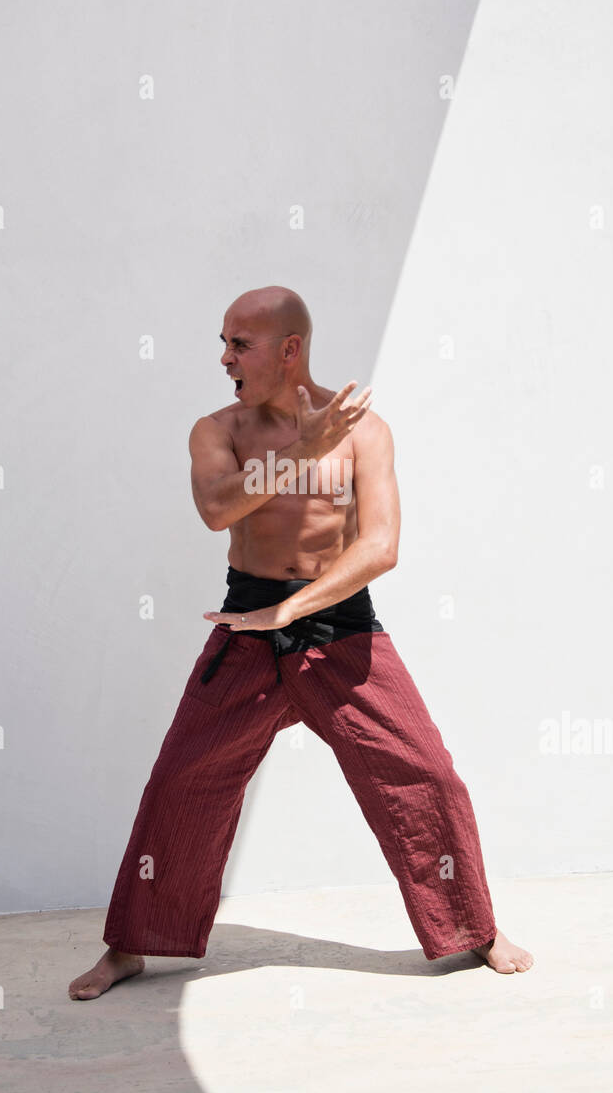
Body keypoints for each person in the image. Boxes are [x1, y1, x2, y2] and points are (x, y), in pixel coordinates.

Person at [69, 285, 533, 999]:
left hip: (336, 627)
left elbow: (380, 546)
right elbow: (216, 508)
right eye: (223, 342)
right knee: (180, 782)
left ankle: (472, 927)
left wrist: (294, 612)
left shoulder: (365, 432)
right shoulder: (215, 428)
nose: (224, 357)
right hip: (245, 627)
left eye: (238, 343)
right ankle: (132, 945)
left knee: (425, 774)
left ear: (290, 349)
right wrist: (299, 454)